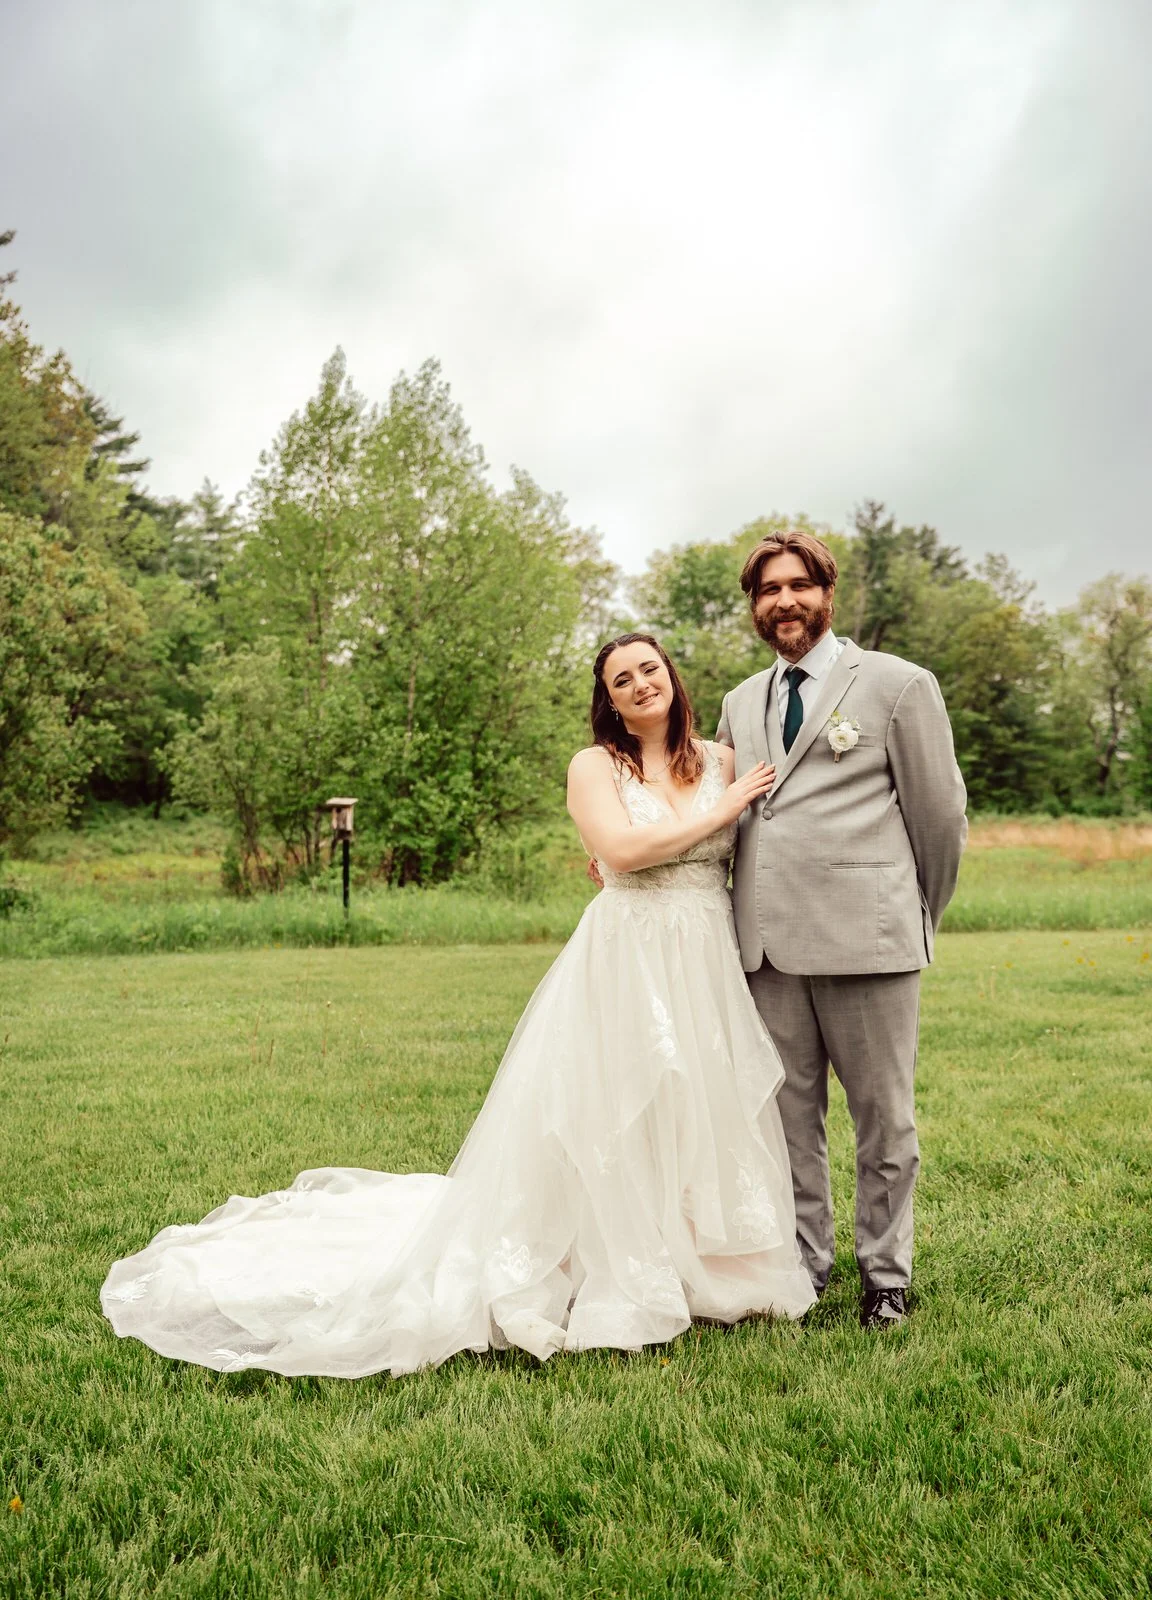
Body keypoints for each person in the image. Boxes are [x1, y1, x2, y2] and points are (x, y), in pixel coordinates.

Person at [101, 634, 815, 1377]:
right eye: (621, 679)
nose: (640, 685)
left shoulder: (723, 760)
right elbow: (621, 853)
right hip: (628, 949)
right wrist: (722, 810)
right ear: (607, 699)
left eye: (650, 670)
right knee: (617, 1106)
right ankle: (620, 1266)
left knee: (695, 1102)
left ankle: (698, 1260)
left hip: (703, 953)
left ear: (672, 676)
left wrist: (729, 805)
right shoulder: (596, 766)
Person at [716, 530, 968, 1328]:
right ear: (754, 607)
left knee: (883, 1118)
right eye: (767, 591)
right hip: (767, 950)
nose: (783, 602)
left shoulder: (899, 685)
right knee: (789, 1120)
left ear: (828, 593)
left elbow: (941, 818)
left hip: (872, 941)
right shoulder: (738, 701)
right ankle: (804, 1266)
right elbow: (721, 816)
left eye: (798, 586)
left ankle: (885, 1278)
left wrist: (913, 916)